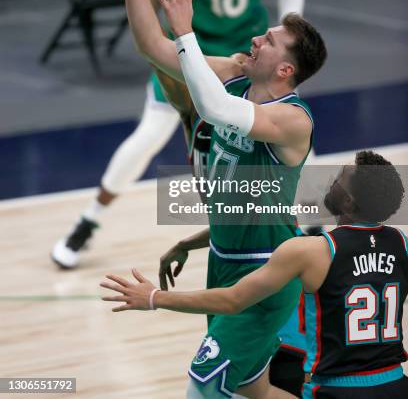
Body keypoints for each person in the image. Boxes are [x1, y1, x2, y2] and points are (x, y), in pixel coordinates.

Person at [101, 0, 327, 397]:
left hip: (266, 271)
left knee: (201, 387)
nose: (258, 37)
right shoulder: (234, 75)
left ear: (286, 70)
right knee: (253, 390)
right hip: (224, 260)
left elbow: (214, 109)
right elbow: (154, 48)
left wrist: (186, 30)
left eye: (272, 39)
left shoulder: (293, 121)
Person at [51, 0, 306, 269]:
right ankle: (88, 220)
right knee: (148, 137)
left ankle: (313, 229)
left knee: (293, 141)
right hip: (191, 49)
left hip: (246, 57)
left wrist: (283, 41)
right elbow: (155, 24)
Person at [101, 151, 407, 399]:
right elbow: (264, 221)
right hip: (396, 383)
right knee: (253, 389)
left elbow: (234, 300)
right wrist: (187, 243)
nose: (331, 181)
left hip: (335, 388)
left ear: (349, 202)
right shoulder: (402, 245)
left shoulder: (309, 251)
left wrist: (155, 297)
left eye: (340, 178)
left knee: (211, 389)